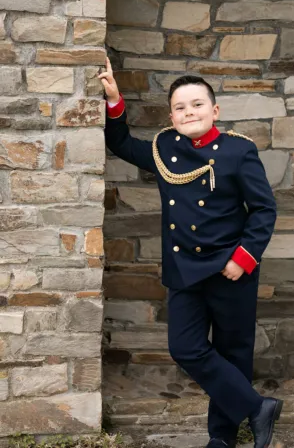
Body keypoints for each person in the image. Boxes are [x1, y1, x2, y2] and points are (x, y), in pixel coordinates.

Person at [99, 57, 283, 448]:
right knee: (185, 348)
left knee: (233, 352)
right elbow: (120, 143)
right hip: (185, 271)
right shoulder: (166, 147)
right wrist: (113, 99)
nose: (189, 112)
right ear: (171, 115)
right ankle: (257, 406)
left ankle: (222, 438)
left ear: (214, 110)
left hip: (231, 267)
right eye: (180, 107)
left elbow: (264, 209)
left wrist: (244, 258)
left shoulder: (238, 151)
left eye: (197, 104)